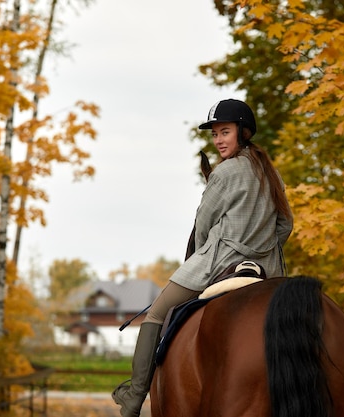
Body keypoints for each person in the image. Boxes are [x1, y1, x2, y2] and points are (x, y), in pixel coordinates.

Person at [112, 98, 294, 417]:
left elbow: (203, 226)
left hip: (217, 264)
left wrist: (225, 244)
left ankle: (134, 397)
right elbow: (285, 224)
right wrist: (261, 246)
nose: (219, 140)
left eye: (225, 132)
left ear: (244, 132)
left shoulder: (223, 174)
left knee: (155, 314)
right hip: (267, 270)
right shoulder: (270, 172)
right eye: (215, 135)